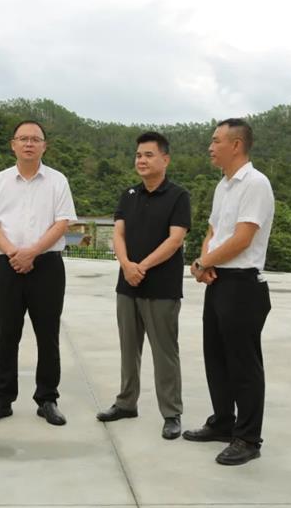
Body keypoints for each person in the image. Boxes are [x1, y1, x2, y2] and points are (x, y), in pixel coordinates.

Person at [183, 118, 274, 466]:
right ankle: (223, 422)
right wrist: (206, 263)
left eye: (216, 140)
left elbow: (242, 238)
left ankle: (248, 438)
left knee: (243, 364)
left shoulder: (255, 183)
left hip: (243, 285)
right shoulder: (223, 186)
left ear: (236, 145)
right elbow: (213, 231)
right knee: (217, 357)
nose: (210, 147)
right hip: (218, 280)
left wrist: (202, 262)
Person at [0, 120, 77, 427]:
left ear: (45, 146)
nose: (29, 143)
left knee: (48, 335)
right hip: (7, 265)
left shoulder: (57, 181)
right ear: (13, 144)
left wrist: (32, 252)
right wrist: (13, 252)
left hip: (47, 266)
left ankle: (47, 399)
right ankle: (1, 400)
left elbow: (62, 223)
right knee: (7, 334)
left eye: (35, 139)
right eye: (23, 139)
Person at [96, 132, 191, 440]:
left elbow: (175, 240)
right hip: (127, 286)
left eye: (149, 155)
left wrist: (142, 267)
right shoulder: (128, 195)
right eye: (138, 155)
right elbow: (118, 234)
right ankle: (126, 403)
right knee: (128, 349)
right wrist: (126, 265)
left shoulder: (178, 196)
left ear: (165, 159)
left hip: (162, 288)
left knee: (165, 352)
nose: (142, 160)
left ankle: (171, 413)